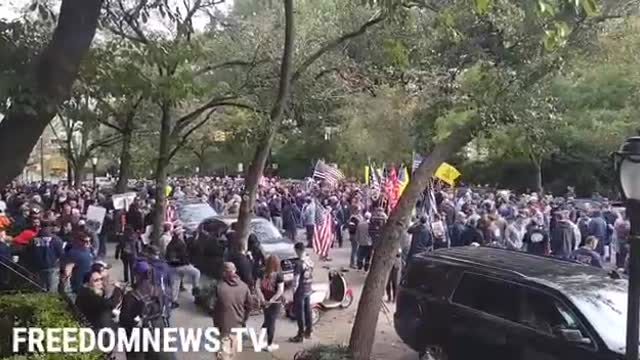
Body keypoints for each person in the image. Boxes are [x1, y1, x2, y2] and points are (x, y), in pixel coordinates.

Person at [119, 261, 175, 360]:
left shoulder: (131, 296)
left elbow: (124, 320)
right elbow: (166, 310)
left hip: (138, 337)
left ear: (136, 275)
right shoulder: (158, 290)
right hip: (158, 331)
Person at [213, 262, 252, 360]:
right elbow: (249, 306)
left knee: (223, 355)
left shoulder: (220, 287)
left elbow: (215, 308)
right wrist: (244, 319)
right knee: (232, 352)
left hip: (224, 326)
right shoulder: (244, 287)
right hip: (237, 325)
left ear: (224, 273)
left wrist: (216, 324)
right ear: (235, 271)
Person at [165, 229, 201, 308]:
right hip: (181, 265)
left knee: (175, 284)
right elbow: (184, 256)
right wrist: (187, 262)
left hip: (172, 267)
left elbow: (168, 256)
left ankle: (173, 301)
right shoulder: (180, 244)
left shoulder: (171, 244)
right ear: (179, 234)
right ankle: (195, 288)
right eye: (182, 233)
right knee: (196, 272)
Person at [257, 255, 285, 352]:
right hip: (274, 302)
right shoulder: (279, 275)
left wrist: (262, 298)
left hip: (264, 300)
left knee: (266, 320)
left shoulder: (261, 272)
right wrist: (271, 300)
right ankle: (269, 344)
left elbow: (257, 287)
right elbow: (280, 290)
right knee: (271, 322)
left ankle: (260, 341)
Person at [27, 225, 64, 292]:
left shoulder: (32, 240)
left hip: (37, 267)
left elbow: (28, 253)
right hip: (52, 267)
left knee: (39, 288)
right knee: (51, 289)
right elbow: (61, 255)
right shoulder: (56, 240)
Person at [289, 242, 314, 343]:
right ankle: (309, 330)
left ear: (298, 250)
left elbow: (296, 280)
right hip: (308, 288)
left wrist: (293, 291)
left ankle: (300, 334)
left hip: (300, 290)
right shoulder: (309, 260)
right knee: (308, 310)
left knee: (300, 313)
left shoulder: (299, 264)